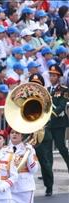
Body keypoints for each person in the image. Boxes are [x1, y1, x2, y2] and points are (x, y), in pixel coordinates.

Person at [36, 65, 69, 196]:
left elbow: (61, 106)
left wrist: (51, 114)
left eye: (54, 75)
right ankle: (48, 176)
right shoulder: (47, 90)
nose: (52, 77)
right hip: (49, 125)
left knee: (62, 148)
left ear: (59, 77)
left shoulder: (65, 89)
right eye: (50, 75)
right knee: (48, 152)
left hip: (59, 124)